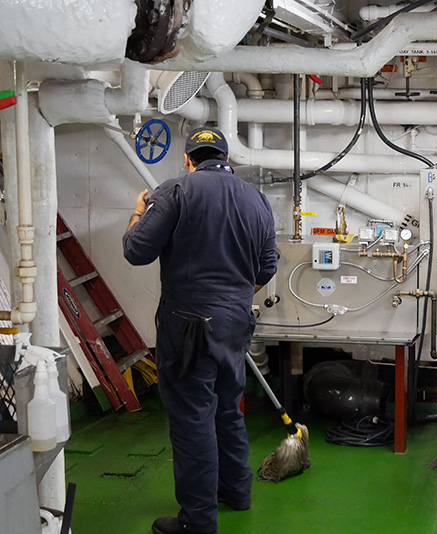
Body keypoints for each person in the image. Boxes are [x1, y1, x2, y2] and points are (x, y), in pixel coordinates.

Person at [123, 126, 278, 534]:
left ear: (189, 160)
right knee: (227, 409)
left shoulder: (174, 191)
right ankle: (236, 491)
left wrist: (139, 209)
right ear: (227, 159)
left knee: (193, 418)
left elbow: (136, 250)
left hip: (188, 326)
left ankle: (197, 521)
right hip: (236, 323)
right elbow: (266, 267)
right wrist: (232, 296)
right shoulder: (257, 199)